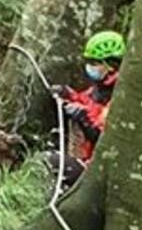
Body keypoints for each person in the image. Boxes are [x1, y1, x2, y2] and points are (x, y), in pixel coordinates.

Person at [49, 30, 125, 186]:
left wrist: (84, 118)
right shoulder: (100, 88)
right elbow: (87, 101)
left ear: (110, 65)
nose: (90, 67)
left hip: (95, 171)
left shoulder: (120, 95)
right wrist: (68, 94)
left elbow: (104, 138)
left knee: (48, 161)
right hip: (83, 159)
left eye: (95, 63)